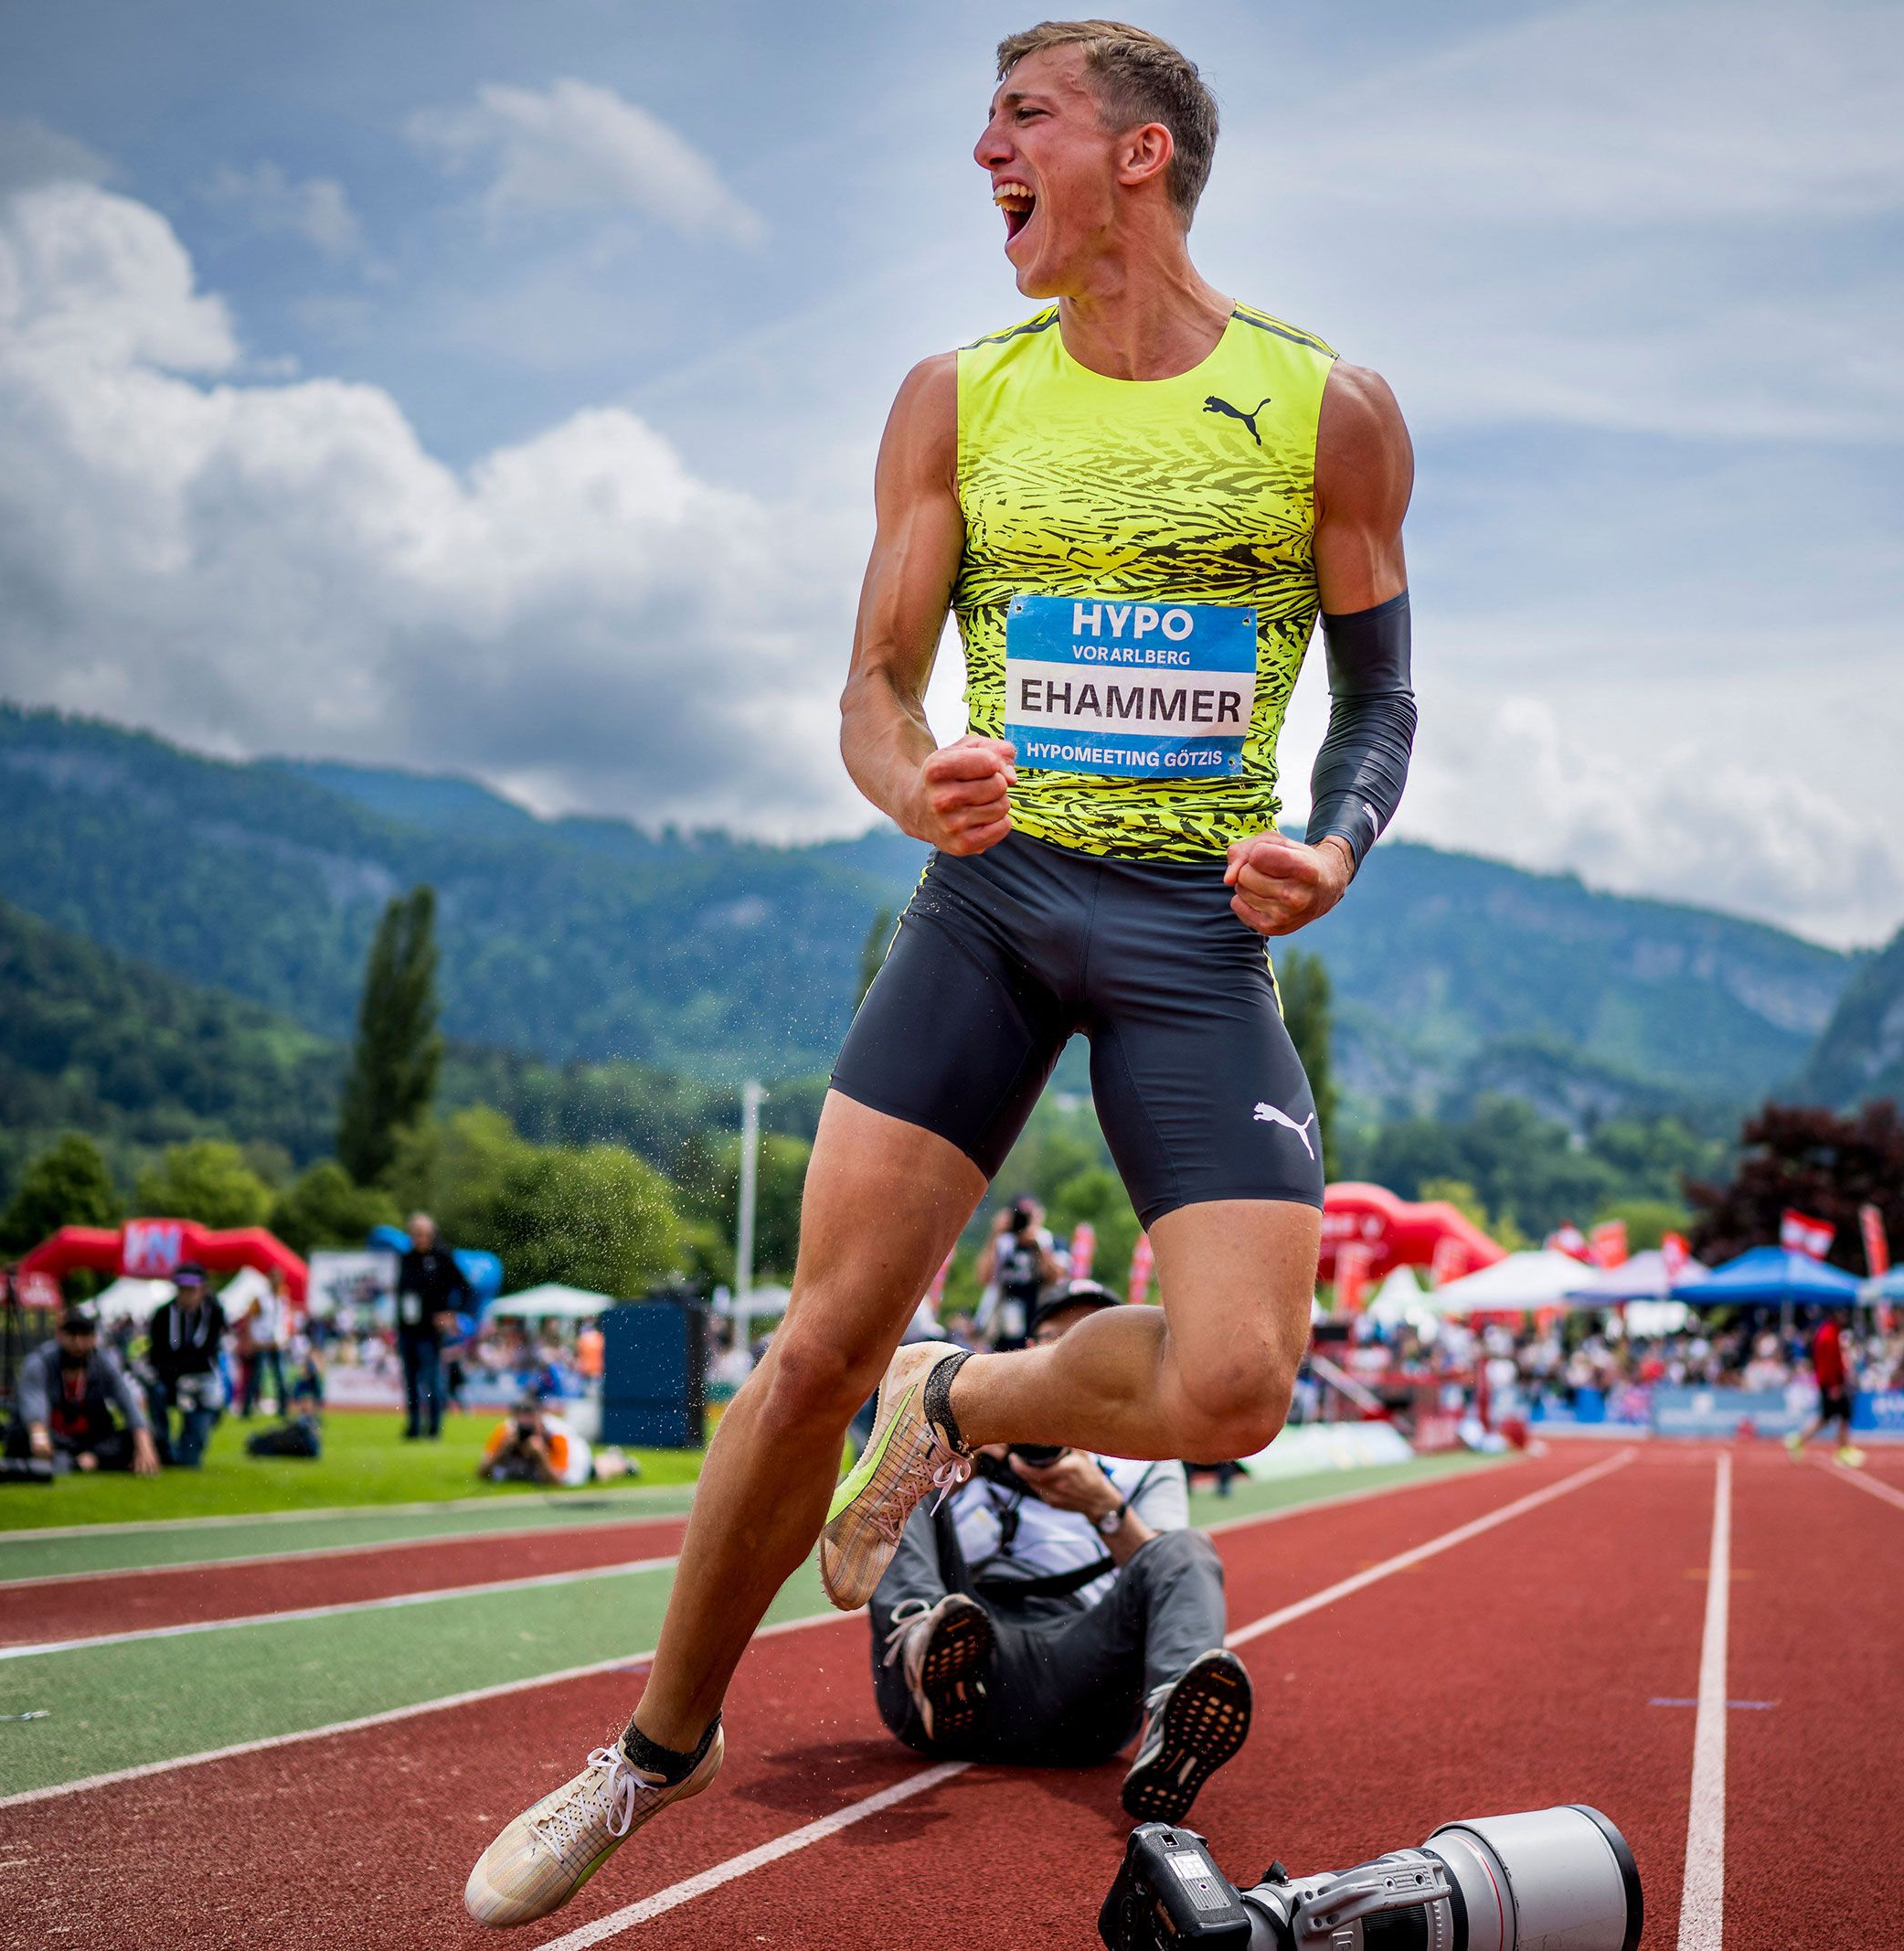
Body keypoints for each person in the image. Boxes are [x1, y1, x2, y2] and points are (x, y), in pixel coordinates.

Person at [468, 21, 1415, 1924]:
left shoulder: (1328, 408)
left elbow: (1382, 698)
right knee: (813, 1344)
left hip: (1191, 927)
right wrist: (919, 777)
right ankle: (654, 1745)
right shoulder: (952, 399)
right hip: (988, 907)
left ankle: (965, 1398)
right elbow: (874, 695)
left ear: (1137, 155)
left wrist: (1338, 844)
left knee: (1236, 1385)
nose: (982, 150)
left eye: (1021, 120)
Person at [871, 1281, 1246, 1820]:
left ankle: (1173, 1727)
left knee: (1186, 1548)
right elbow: (875, 1508)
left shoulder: (1153, 1457)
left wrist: (1105, 1508)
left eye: (1094, 1342)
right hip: (956, 1654)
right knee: (900, 1470)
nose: (1075, 1357)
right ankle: (919, 1641)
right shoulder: (965, 1420)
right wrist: (947, 1460)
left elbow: (1169, 1580)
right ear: (1028, 1353)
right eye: (1058, 1339)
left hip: (1076, 1671)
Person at [11, 1306, 159, 1476]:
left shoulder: (103, 1363)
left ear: (94, 1338)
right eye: (72, 1335)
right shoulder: (39, 1361)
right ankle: (76, 1461)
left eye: (85, 1336)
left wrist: (145, 1445)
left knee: (142, 1436)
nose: (78, 1343)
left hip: (88, 1440)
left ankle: (86, 1460)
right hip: (50, 1435)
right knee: (20, 1436)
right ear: (59, 1335)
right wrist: (38, 1435)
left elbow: (128, 1402)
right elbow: (33, 1402)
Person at [395, 1213, 473, 1441]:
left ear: (431, 1234)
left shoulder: (443, 1257)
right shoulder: (406, 1258)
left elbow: (465, 1288)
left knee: (431, 1381)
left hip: (430, 1332)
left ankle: (434, 1428)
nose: (418, 1239)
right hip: (407, 1329)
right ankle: (413, 1426)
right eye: (414, 1234)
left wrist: (451, 1313)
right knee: (410, 1382)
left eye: (422, 1234)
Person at [144, 1266, 229, 1467]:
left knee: (189, 1461)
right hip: (169, 1378)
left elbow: (207, 1351)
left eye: (192, 1290)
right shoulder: (163, 1314)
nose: (186, 1296)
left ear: (203, 1290)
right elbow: (158, 1354)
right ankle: (161, 1447)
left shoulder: (213, 1313)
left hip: (201, 1381)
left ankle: (190, 1440)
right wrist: (176, 1373)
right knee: (156, 1391)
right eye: (182, 1290)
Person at [974, 1195, 1064, 1349]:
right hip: (1003, 1323)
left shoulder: (1048, 1240)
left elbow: (1057, 1277)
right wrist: (995, 1234)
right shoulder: (1003, 1243)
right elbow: (984, 1277)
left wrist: (1038, 1247)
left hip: (1036, 1317)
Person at [1786, 1312, 1865, 1466]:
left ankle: (1799, 1440)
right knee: (1843, 1415)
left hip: (1830, 1382)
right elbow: (1829, 1363)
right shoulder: (1828, 1335)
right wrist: (1834, 1385)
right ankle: (1844, 1450)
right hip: (1832, 1383)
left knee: (1827, 1418)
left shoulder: (1829, 1332)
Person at [481, 1397, 595, 1487]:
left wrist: (541, 1455)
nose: (526, 1429)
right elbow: (482, 1473)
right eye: (522, 1423)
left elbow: (559, 1482)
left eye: (530, 1422)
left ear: (540, 1418)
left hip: (576, 1456)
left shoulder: (557, 1435)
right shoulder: (506, 1431)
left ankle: (611, 1461)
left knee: (595, 1472)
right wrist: (503, 1450)